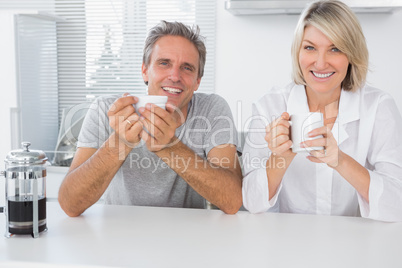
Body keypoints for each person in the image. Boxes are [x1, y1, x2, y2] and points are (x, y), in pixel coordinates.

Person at [58, 21, 243, 216]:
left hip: (187, 236)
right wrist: (119, 143)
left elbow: (232, 202)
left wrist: (170, 146)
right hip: (119, 236)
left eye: (187, 68)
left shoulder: (212, 109)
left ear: (197, 81)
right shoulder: (107, 109)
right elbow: (70, 204)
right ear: (145, 70)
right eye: (164, 63)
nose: (174, 76)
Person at [242, 0, 402, 222]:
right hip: (287, 241)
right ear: (298, 52)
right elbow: (252, 203)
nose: (320, 63)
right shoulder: (270, 106)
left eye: (335, 49)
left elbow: (397, 205)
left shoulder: (378, 107)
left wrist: (341, 161)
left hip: (356, 243)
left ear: (352, 55)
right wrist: (279, 160)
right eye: (310, 48)